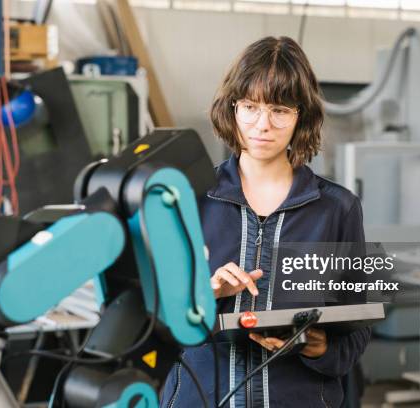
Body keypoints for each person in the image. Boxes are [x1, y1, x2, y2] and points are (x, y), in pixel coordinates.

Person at [160, 36, 370, 408]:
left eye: (279, 110)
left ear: (300, 116)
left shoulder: (337, 209)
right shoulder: (188, 199)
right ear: (232, 108)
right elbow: (154, 322)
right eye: (250, 107)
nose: (262, 125)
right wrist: (205, 295)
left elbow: (358, 327)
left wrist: (319, 346)